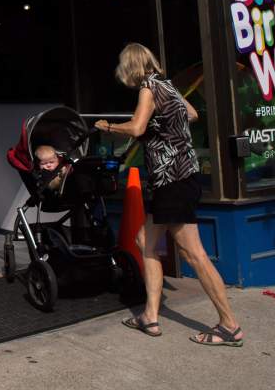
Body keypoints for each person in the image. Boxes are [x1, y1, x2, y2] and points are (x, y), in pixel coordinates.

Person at [94, 43, 243, 347]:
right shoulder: (167, 85)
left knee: (193, 254)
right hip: (178, 178)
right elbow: (191, 114)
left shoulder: (148, 88)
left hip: (172, 181)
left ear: (130, 68)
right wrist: (162, 127)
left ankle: (230, 325)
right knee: (145, 241)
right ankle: (150, 315)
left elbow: (136, 128)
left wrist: (108, 126)